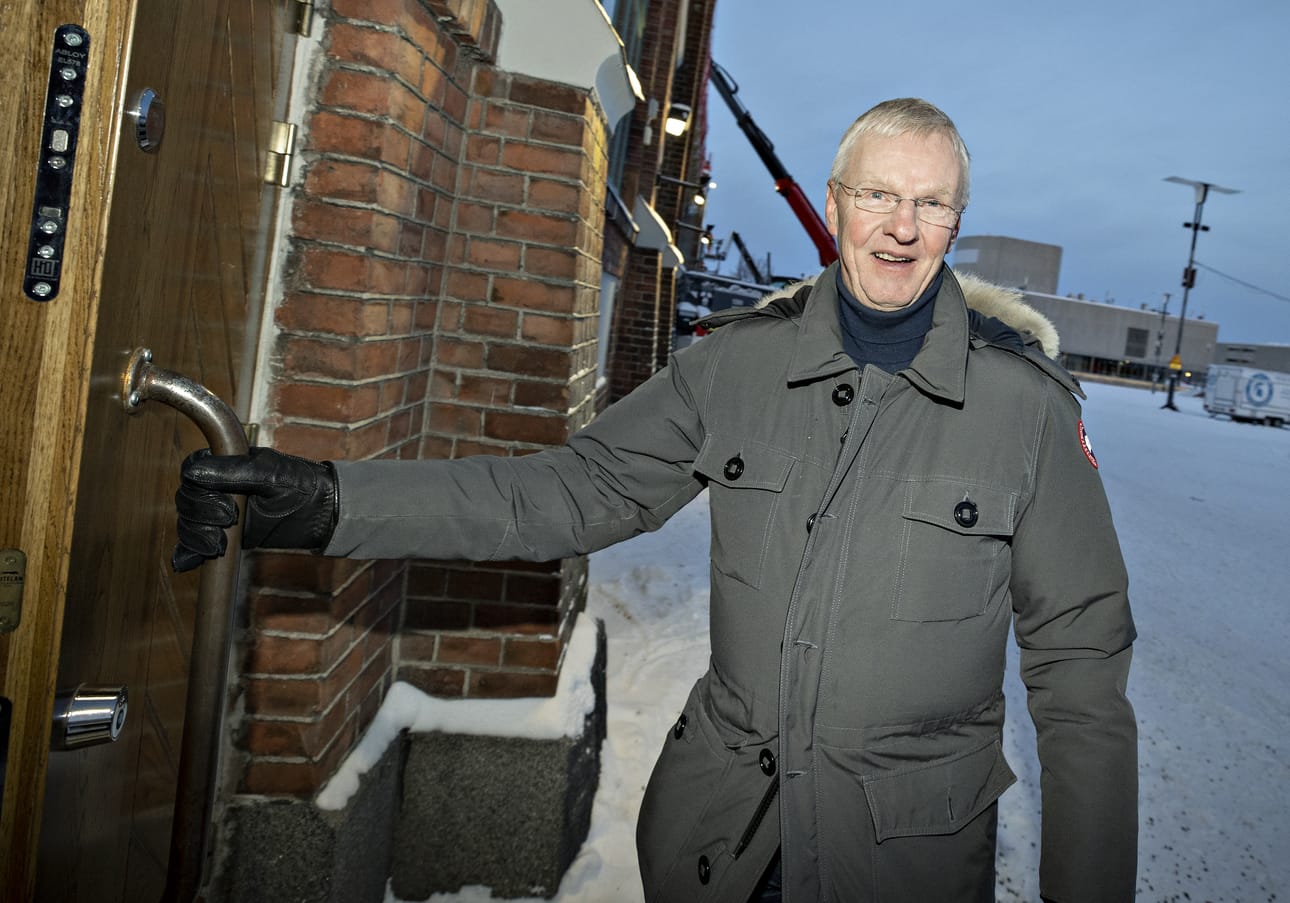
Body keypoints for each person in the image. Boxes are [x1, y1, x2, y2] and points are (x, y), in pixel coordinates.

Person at [174, 99, 1137, 902]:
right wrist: (326, 503)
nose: (901, 225)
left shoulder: (1027, 410)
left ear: (956, 223)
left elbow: (1083, 669)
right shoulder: (739, 365)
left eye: (931, 203)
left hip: (902, 858)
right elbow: (568, 489)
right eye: (879, 194)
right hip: (722, 843)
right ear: (836, 203)